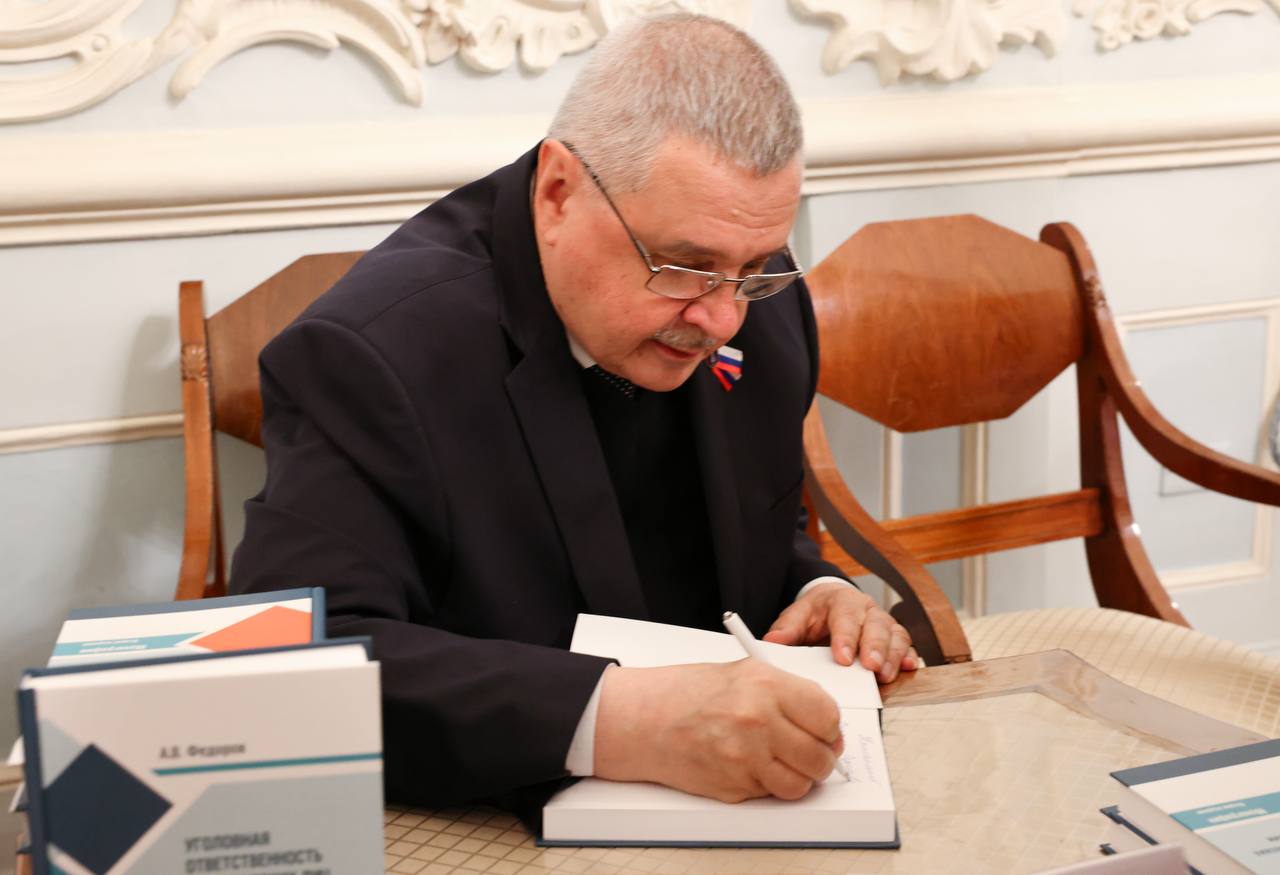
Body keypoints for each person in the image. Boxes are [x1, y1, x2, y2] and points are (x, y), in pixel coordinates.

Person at [229, 13, 917, 816]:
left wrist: (818, 588)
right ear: (558, 193)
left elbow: (756, 528)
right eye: (683, 265)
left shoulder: (762, 303)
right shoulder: (375, 355)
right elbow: (298, 658)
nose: (724, 320)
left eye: (754, 268)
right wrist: (622, 721)